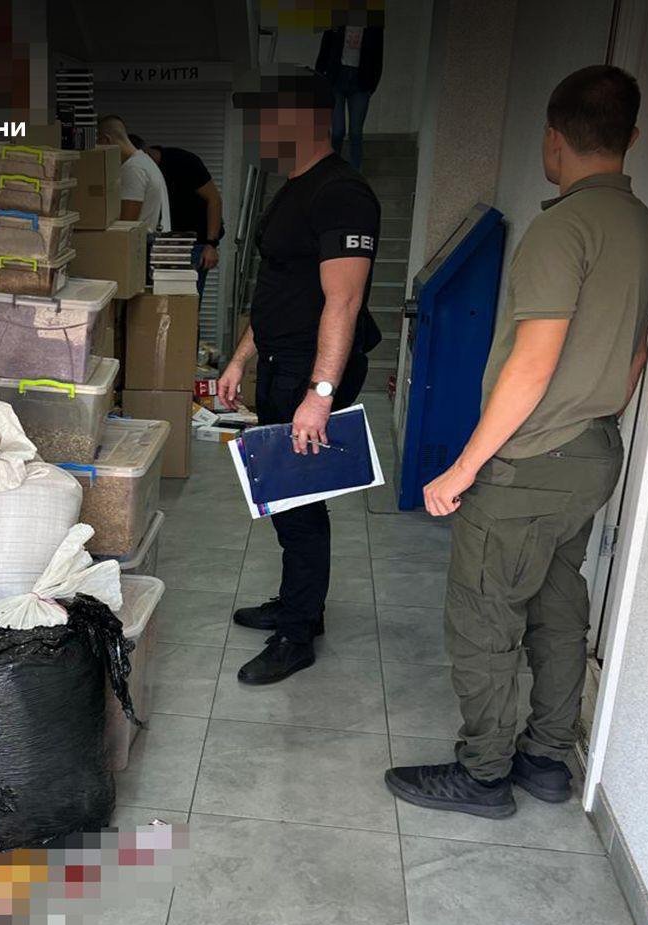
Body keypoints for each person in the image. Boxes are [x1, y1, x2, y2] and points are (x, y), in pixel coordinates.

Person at [384, 65, 648, 819]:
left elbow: (533, 362)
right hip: (593, 451)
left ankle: (483, 775)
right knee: (558, 606)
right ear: (633, 136)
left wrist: (464, 467)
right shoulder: (642, 225)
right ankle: (545, 761)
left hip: (532, 461)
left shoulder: (563, 227)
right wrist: (594, 411)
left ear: (552, 138)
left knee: (484, 616)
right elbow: (637, 350)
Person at [218, 68, 380, 685]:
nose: (258, 129)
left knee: (300, 501)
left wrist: (320, 394)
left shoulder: (342, 193)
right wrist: (240, 358)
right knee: (286, 500)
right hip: (280, 365)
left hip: (310, 375)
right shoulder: (292, 188)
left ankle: (297, 634)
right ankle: (297, 605)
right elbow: (279, 289)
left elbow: (344, 300)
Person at [138, 142, 224, 298]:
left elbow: (214, 200)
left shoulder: (183, 161)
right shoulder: (143, 171)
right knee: (158, 300)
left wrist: (211, 245)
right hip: (162, 242)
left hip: (193, 244)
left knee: (186, 302)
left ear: (145, 154)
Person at [315, 22, 383, 171]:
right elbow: (324, 50)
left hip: (361, 81)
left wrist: (371, 85)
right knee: (337, 131)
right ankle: (332, 170)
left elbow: (378, 56)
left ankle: (354, 174)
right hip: (336, 78)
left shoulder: (374, 27)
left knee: (355, 132)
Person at [97, 115, 171, 233]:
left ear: (105, 140)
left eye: (97, 145)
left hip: (143, 242)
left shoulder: (133, 168)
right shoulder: (144, 161)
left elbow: (126, 226)